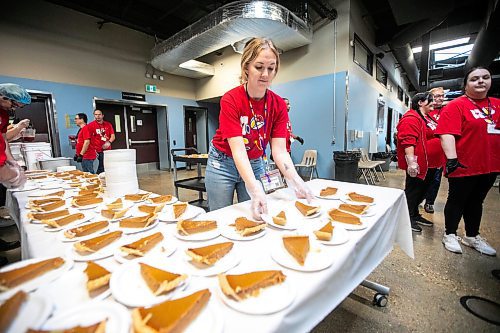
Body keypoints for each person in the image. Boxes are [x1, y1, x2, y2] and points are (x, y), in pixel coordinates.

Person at [205, 38, 313, 219]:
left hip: (255, 162)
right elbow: (238, 150)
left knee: (255, 215)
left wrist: (296, 180)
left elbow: (279, 151)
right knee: (220, 216)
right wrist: (254, 188)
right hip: (223, 162)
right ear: (246, 67)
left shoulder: (278, 104)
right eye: (259, 67)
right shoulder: (231, 99)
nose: (265, 74)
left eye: (271, 68)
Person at [436, 67, 499, 256]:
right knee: (457, 200)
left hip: (490, 164)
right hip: (465, 163)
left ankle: (472, 235)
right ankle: (450, 233)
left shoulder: (496, 104)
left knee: (477, 201)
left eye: (485, 78)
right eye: (474, 79)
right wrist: (452, 158)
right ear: (465, 85)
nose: (480, 81)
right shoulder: (456, 105)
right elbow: (446, 133)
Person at [397, 92, 439, 232]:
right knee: (413, 191)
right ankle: (406, 218)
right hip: (418, 164)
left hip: (431, 164)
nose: (433, 102)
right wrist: (412, 162)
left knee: (422, 191)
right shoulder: (411, 118)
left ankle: (414, 214)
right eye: (430, 100)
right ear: (420, 102)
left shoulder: (426, 118)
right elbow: (408, 140)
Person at [0, 83, 31, 265]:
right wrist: (5, 172)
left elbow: (3, 140)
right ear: (3, 97)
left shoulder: (3, 114)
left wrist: (11, 161)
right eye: (13, 105)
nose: (14, 109)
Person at [422, 87, 446, 213]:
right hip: (424, 154)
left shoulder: (447, 111)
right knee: (421, 179)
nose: (439, 98)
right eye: (436, 96)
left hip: (440, 155)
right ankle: (420, 198)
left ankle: (430, 202)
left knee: (436, 180)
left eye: (442, 96)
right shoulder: (424, 111)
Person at [87, 109, 115, 174]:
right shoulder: (90, 125)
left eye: (99, 114)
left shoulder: (108, 125)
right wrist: (92, 150)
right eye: (96, 115)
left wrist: (109, 142)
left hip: (107, 150)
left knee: (107, 167)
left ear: (102, 115)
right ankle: (98, 180)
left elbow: (113, 136)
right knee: (100, 167)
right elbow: (88, 139)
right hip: (97, 151)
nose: (97, 116)